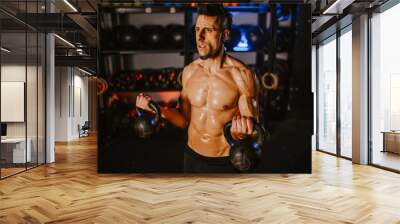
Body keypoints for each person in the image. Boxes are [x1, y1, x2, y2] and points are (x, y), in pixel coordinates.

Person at [136, 4, 260, 173]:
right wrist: (156, 110)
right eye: (197, 29)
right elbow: (183, 120)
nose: (200, 37)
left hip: (223, 162)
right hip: (191, 157)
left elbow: (254, 133)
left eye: (208, 30)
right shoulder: (189, 72)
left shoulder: (242, 76)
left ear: (225, 35)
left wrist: (241, 134)